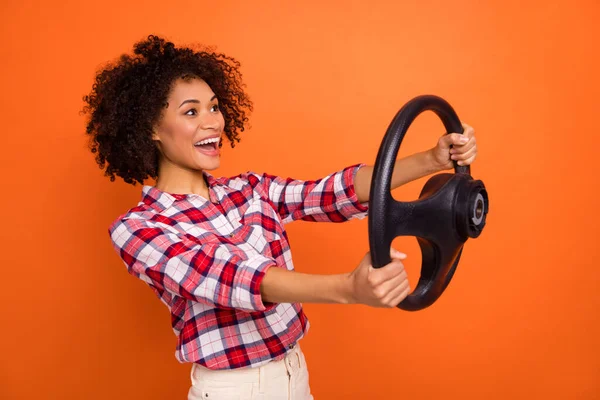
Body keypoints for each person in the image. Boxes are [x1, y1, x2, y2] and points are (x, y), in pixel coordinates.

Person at [82, 34, 478, 399]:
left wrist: (431, 159)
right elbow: (233, 277)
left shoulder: (248, 189)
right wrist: (347, 288)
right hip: (233, 389)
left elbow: (328, 193)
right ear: (150, 127)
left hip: (293, 372)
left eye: (215, 107)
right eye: (191, 111)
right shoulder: (139, 230)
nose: (213, 122)